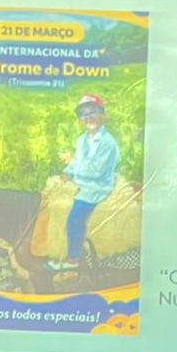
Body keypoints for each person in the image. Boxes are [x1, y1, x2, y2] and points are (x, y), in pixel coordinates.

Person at [49, 94, 120, 273]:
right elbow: (78, 164)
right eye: (83, 114)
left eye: (92, 112)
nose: (89, 117)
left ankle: (73, 259)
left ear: (102, 114)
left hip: (96, 186)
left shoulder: (108, 143)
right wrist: (68, 171)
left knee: (75, 218)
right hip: (80, 181)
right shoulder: (81, 140)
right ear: (80, 119)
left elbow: (96, 171)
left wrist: (73, 163)